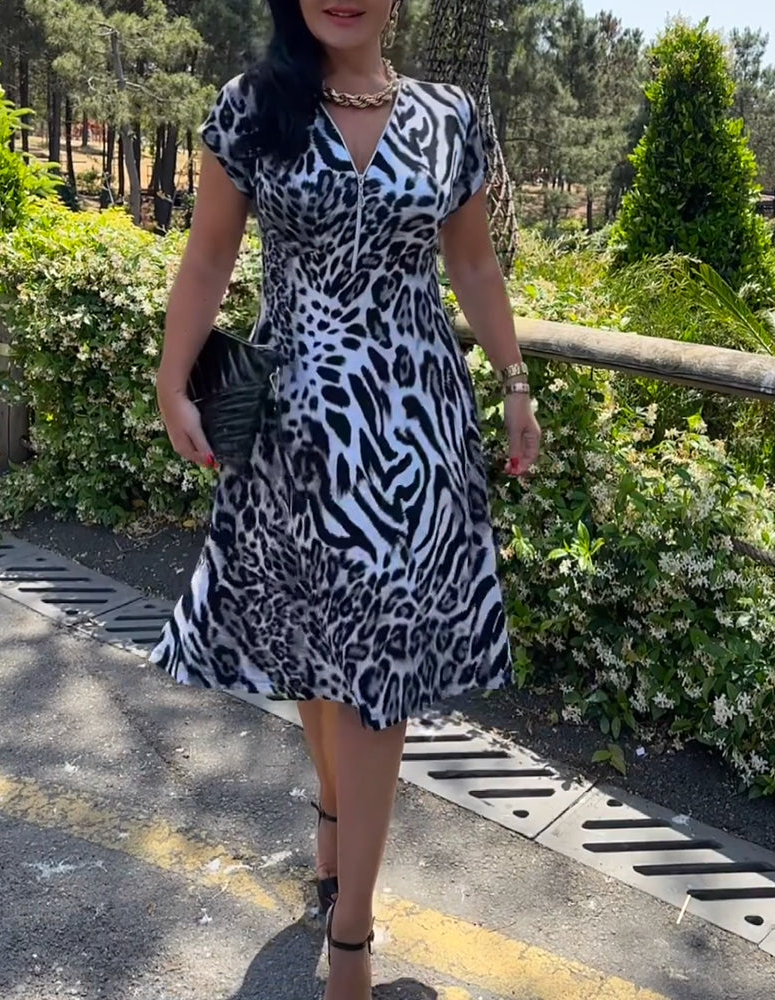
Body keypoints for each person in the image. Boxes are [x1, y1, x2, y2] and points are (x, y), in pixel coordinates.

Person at [152, 1, 541, 997]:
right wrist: (173, 378)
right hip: (292, 422)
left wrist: (513, 385)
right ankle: (332, 819)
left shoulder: (449, 116)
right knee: (315, 635)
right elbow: (209, 255)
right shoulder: (254, 105)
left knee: (374, 667)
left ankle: (352, 939)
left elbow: (472, 261)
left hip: (412, 425)